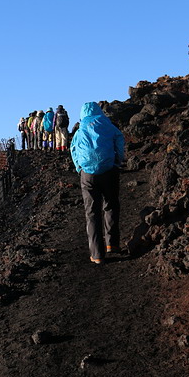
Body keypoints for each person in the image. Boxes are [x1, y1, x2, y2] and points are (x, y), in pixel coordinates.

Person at [70, 102, 125, 264]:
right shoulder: (107, 124)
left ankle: (97, 254)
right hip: (109, 169)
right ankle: (112, 244)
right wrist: (118, 160)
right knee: (111, 205)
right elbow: (119, 139)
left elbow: (73, 149)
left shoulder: (80, 130)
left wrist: (79, 167)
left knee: (92, 213)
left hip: (87, 175)